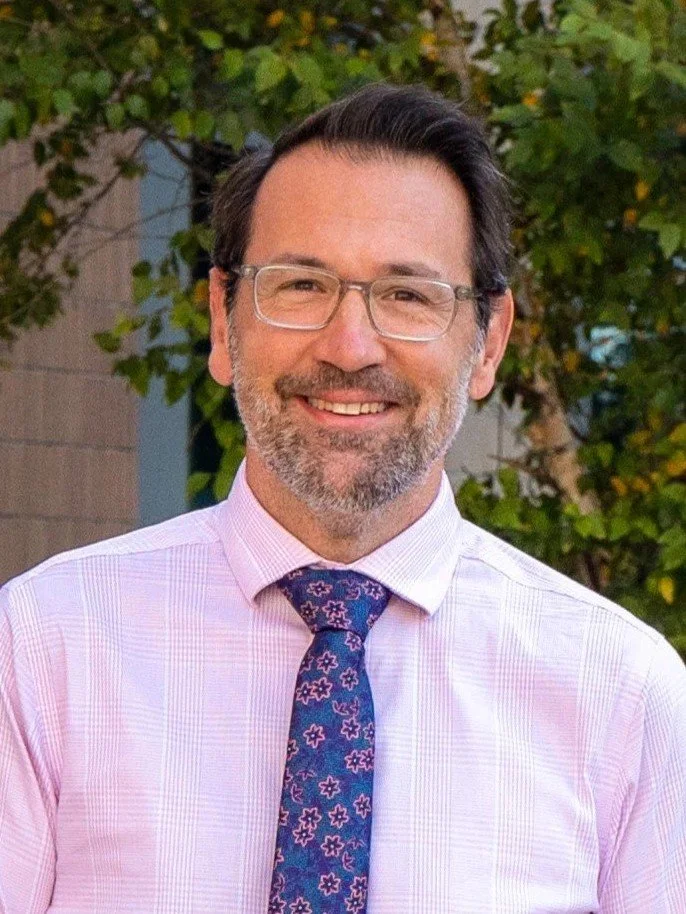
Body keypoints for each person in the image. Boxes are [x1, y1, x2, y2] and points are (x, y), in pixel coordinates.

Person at [1, 83, 684, 914]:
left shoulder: (621, 692)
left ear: (487, 342)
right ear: (223, 321)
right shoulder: (42, 649)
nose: (351, 347)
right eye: (301, 285)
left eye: (407, 295)